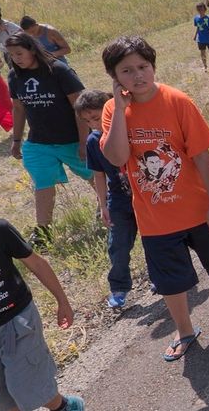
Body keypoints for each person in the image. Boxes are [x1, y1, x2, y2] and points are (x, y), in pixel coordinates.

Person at [100, 35, 209, 360]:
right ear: (115, 78)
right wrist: (119, 112)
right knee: (169, 280)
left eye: (143, 66)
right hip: (156, 218)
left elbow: (202, 157)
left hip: (199, 208)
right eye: (126, 71)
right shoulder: (113, 110)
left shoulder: (178, 101)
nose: (137, 76)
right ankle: (185, 329)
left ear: (153, 66)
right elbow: (116, 158)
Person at [0, 187, 86, 411]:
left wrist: (63, 302)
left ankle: (65, 407)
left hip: (17, 321)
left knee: (29, 386)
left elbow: (38, 264)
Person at [6, 33, 90, 244]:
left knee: (93, 176)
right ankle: (44, 232)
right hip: (38, 143)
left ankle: (110, 207)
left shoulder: (58, 70)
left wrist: (84, 142)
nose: (16, 58)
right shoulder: (15, 76)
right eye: (11, 55)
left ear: (32, 49)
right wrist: (16, 140)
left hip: (70, 139)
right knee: (42, 183)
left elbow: (80, 107)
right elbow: (18, 107)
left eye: (19, 53)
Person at [75, 89, 138, 309]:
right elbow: (98, 175)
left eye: (96, 116)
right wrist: (103, 205)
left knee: (155, 240)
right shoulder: (94, 141)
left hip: (144, 195)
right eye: (88, 121)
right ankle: (119, 288)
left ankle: (163, 277)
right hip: (119, 200)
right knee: (118, 245)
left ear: (110, 107)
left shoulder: (128, 127)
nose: (94, 123)